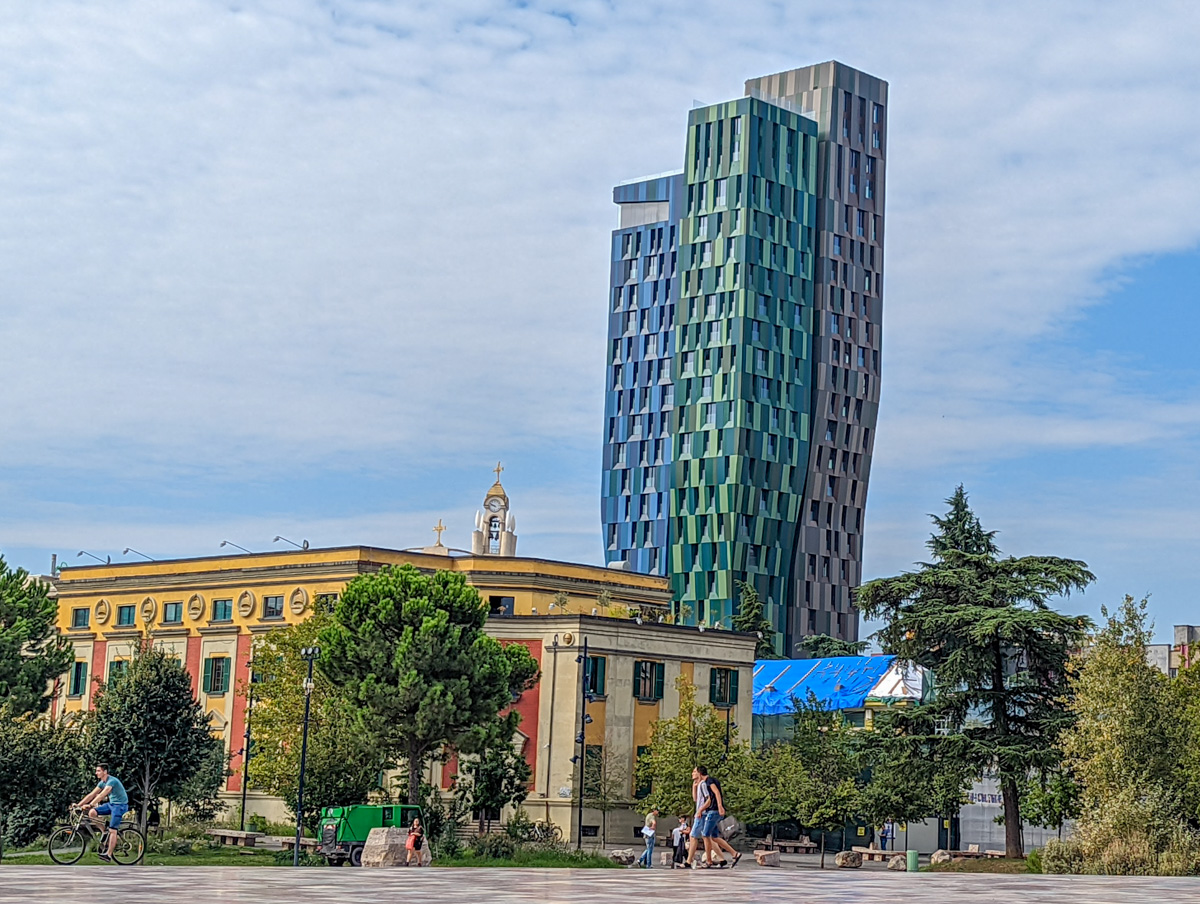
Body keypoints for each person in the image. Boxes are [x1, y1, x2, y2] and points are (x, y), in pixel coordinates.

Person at [75, 763, 128, 862]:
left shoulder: (112, 781)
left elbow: (101, 795)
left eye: (98, 771)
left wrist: (90, 804)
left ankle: (108, 855)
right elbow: (91, 794)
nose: (96, 773)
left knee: (113, 830)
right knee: (92, 813)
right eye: (96, 771)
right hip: (111, 804)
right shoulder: (102, 782)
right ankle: (104, 832)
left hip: (120, 806)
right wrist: (78, 805)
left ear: (105, 772)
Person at [701, 769, 741, 868]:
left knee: (705, 835)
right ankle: (734, 853)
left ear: (700, 773)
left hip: (713, 811)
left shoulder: (709, 781)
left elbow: (717, 792)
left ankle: (709, 861)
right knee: (714, 837)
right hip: (714, 811)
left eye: (694, 772)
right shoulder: (711, 780)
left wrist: (719, 806)